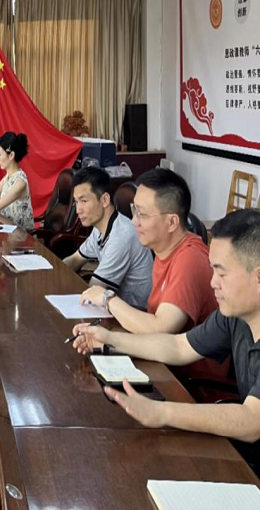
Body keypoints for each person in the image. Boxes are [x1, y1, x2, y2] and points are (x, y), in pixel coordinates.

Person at [70, 209, 260, 468]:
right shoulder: (234, 314)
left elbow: (251, 421)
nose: (213, 283)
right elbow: (179, 346)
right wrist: (110, 340)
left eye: (222, 274)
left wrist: (162, 412)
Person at [78, 168, 225, 381]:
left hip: (188, 383)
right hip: (161, 363)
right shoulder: (163, 251)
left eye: (142, 214)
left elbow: (160, 329)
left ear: (172, 222)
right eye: (134, 210)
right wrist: (108, 338)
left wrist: (107, 299)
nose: (134, 221)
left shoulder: (189, 259)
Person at [63, 167, 153, 309]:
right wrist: (54, 274)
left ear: (105, 200)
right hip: (114, 306)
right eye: (76, 202)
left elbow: (94, 289)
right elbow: (75, 259)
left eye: (84, 201)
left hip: (133, 312)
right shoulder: (100, 228)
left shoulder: (121, 236)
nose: (78, 209)